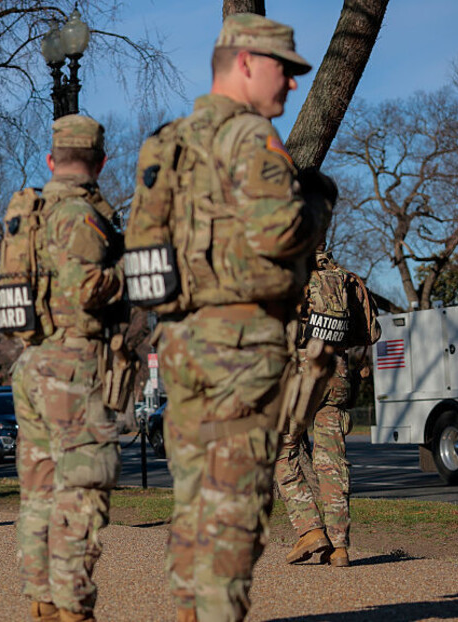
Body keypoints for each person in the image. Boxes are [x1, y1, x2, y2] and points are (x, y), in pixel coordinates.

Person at [125, 13, 332, 621]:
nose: (292, 83)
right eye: (284, 68)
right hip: (241, 348)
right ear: (245, 63)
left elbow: (143, 250)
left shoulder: (165, 144)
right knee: (235, 513)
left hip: (183, 343)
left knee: (197, 507)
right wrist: (318, 202)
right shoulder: (248, 136)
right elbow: (281, 231)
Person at [10, 114, 123, 622]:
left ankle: (44, 600)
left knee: (40, 490)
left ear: (51, 161)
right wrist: (131, 272)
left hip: (33, 363)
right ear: (101, 162)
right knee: (82, 489)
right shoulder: (79, 214)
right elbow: (84, 287)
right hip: (72, 365)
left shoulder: (31, 214)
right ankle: (73, 607)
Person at [274, 247, 355, 568]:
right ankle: (340, 547)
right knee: (333, 461)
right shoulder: (343, 279)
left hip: (302, 374)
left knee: (281, 450)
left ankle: (310, 530)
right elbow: (370, 331)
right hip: (337, 374)